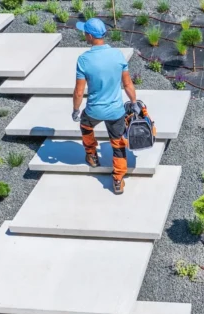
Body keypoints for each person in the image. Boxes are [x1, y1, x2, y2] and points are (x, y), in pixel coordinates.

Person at [72, 18, 139, 195]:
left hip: (94, 110)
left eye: (85, 32)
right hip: (116, 112)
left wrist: (76, 110)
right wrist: (134, 103)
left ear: (90, 36)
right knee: (118, 144)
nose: (84, 35)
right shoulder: (117, 55)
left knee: (86, 126)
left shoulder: (84, 60)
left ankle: (92, 156)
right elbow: (128, 84)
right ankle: (118, 180)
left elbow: (79, 92)